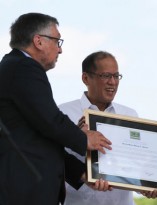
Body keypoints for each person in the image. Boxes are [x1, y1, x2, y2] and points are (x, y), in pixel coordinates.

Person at [0, 13, 112, 205]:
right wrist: (84, 138)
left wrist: (84, 174)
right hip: (23, 192)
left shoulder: (14, 67)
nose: (60, 50)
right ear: (38, 41)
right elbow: (51, 121)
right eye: (57, 41)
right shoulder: (24, 67)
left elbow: (43, 139)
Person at [59, 51, 157, 205]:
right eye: (106, 76)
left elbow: (137, 164)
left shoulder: (130, 115)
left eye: (116, 76)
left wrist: (145, 185)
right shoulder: (63, 114)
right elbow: (54, 159)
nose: (112, 82)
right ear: (86, 78)